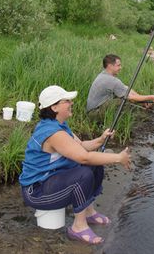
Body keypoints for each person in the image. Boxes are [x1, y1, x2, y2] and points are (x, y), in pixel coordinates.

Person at [19, 85, 131, 245]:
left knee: (94, 166)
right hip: (36, 191)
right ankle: (78, 227)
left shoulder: (59, 125)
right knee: (83, 173)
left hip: (50, 180)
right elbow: (84, 157)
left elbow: (82, 146)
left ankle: (89, 212)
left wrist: (100, 139)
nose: (72, 103)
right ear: (54, 107)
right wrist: (118, 158)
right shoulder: (53, 133)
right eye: (67, 101)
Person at [86, 54, 154, 120]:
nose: (121, 67)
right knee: (123, 102)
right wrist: (151, 97)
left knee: (124, 98)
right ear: (110, 66)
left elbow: (126, 88)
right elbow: (130, 97)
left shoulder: (104, 74)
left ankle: (134, 115)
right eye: (118, 65)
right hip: (94, 113)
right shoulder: (111, 80)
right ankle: (136, 118)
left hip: (94, 110)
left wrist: (142, 100)